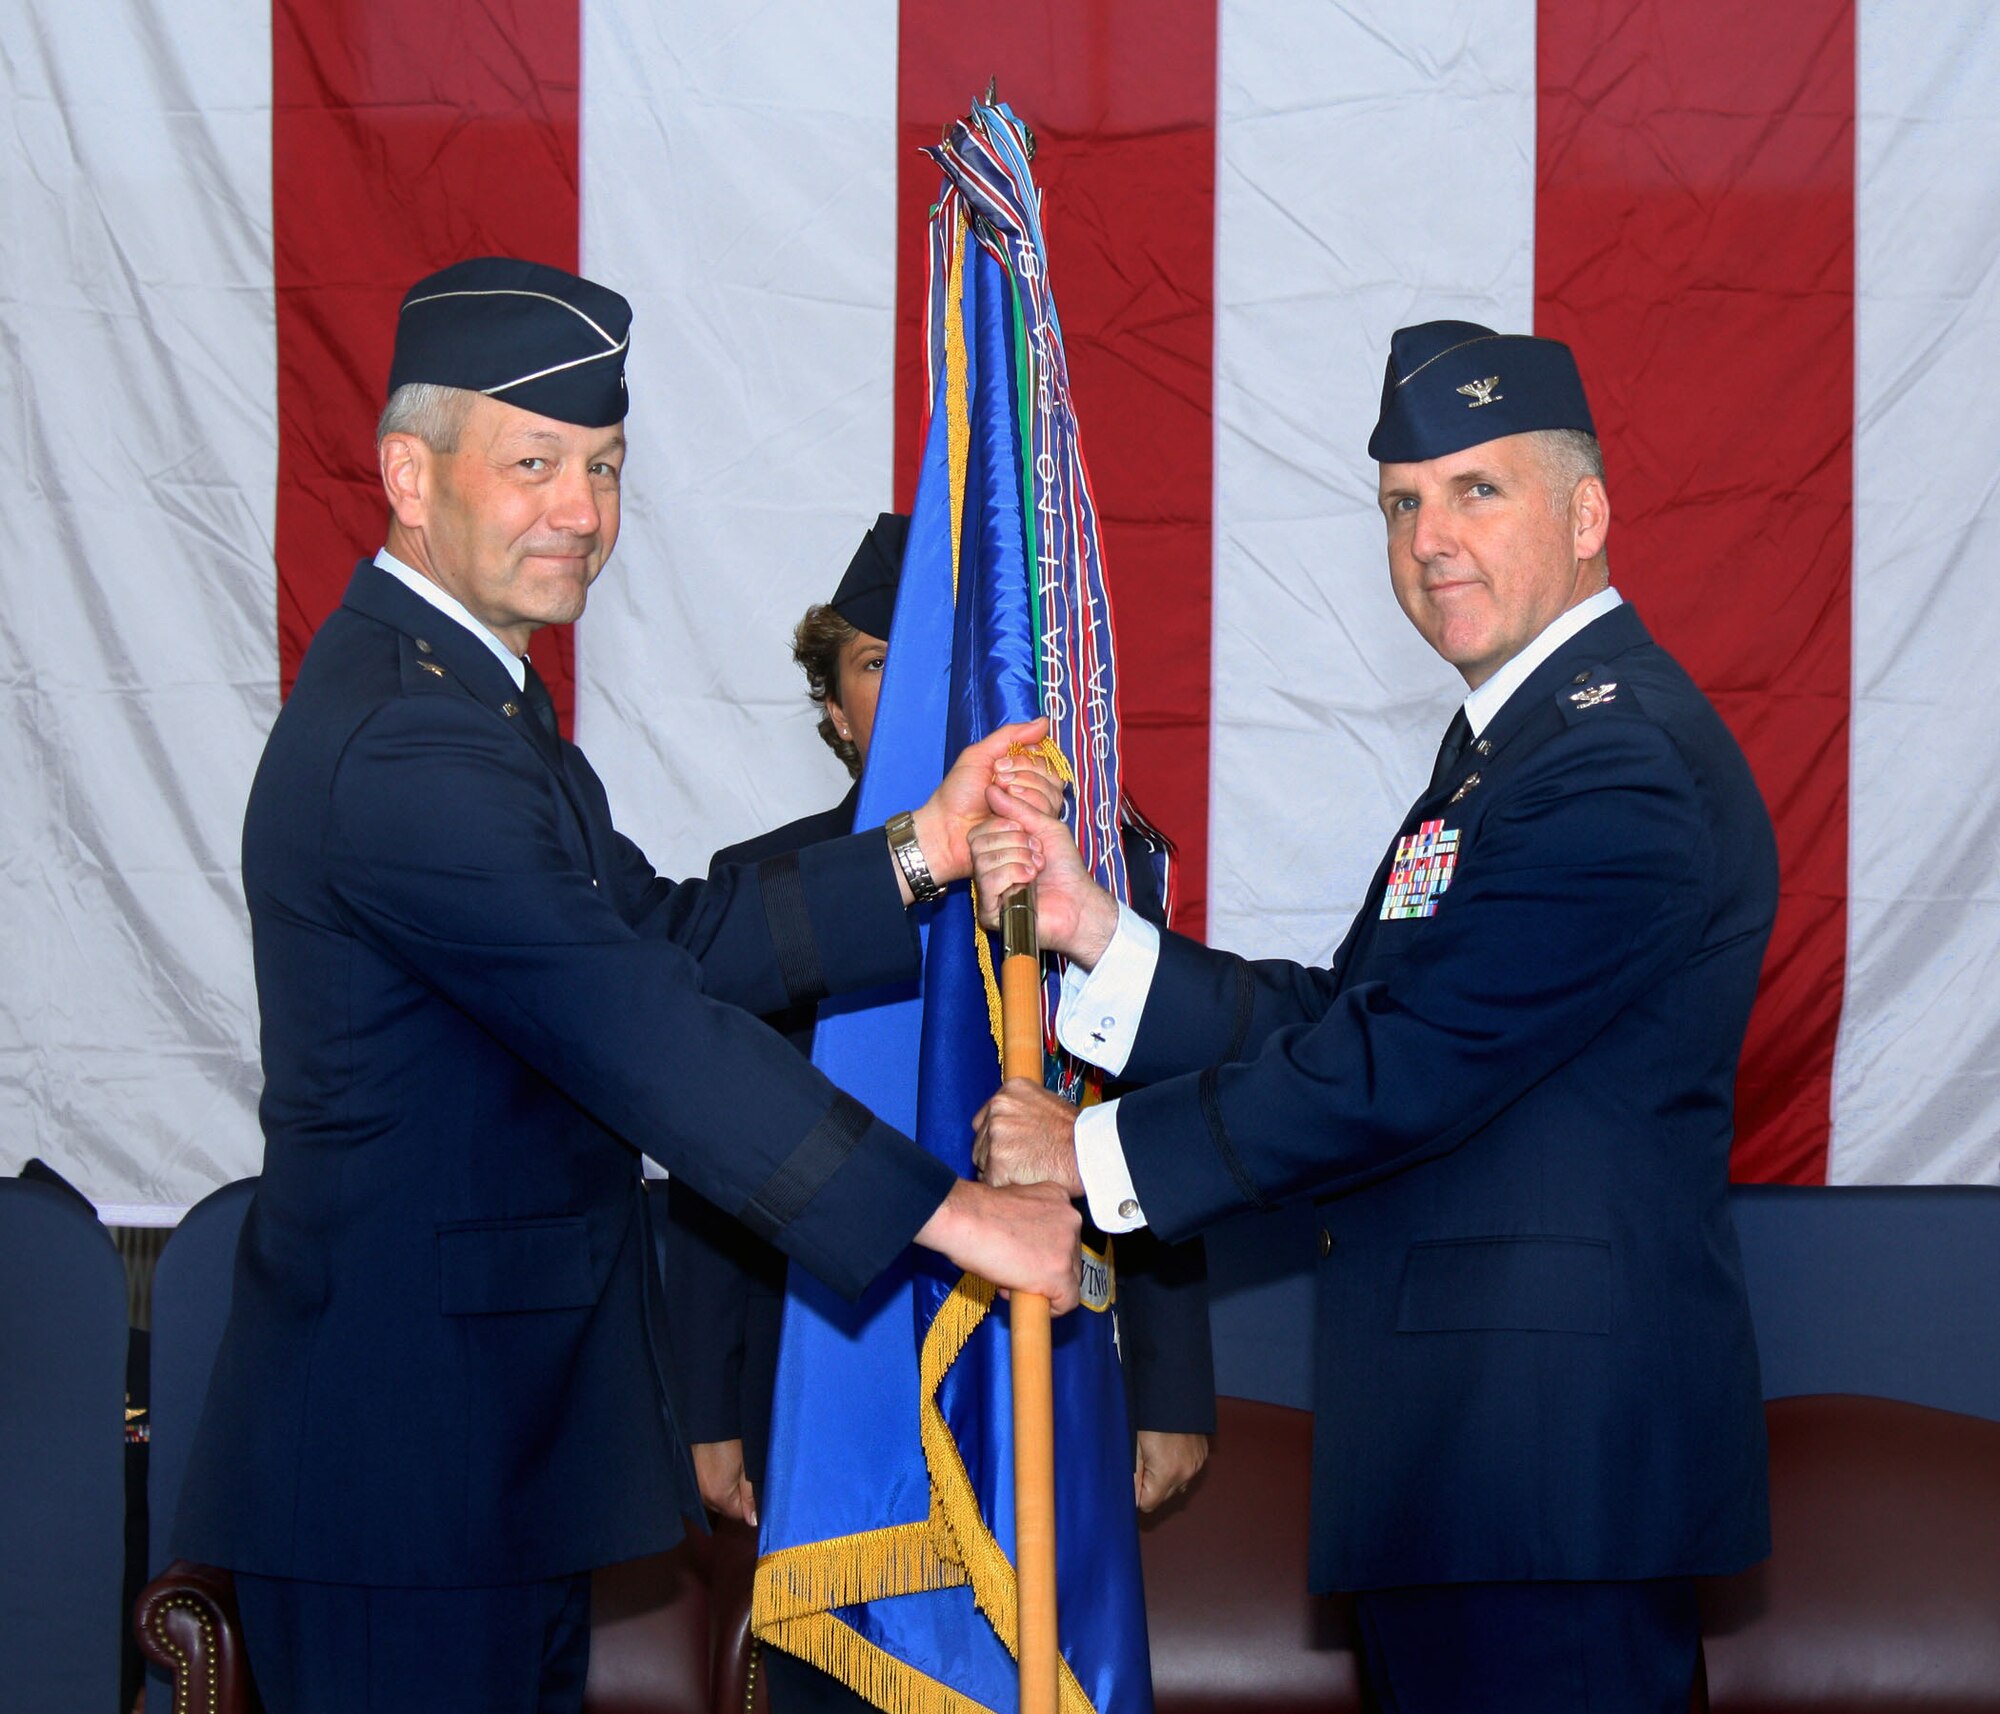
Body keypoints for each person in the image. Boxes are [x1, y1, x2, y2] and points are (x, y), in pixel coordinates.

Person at [170, 257, 1083, 1714]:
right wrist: (960, 1218)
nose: (582, 510)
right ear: (409, 475)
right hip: (400, 1480)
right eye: (533, 462)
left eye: (600, 465)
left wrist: (923, 845)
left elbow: (665, 936)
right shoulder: (408, 739)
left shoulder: (471, 700)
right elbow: (641, 1026)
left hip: (479, 1460)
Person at [970, 320, 1777, 1714]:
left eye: (1477, 491)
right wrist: (1095, 931)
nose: (1429, 539)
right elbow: (1350, 1015)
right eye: (1402, 503)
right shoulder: (1514, 750)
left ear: (1586, 516)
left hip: (1543, 1488)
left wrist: (1090, 1161)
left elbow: (1408, 1060)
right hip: (1474, 1478)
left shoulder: (1615, 762)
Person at [662, 514, 1217, 1573]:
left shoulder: (1083, 881)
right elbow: (708, 1145)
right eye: (877, 663)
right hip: (822, 1354)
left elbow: (1147, 1121)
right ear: (833, 709)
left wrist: (1173, 1384)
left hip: (1040, 1334)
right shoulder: (760, 891)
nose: (916, 685)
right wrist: (706, 1403)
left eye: (942, 659)